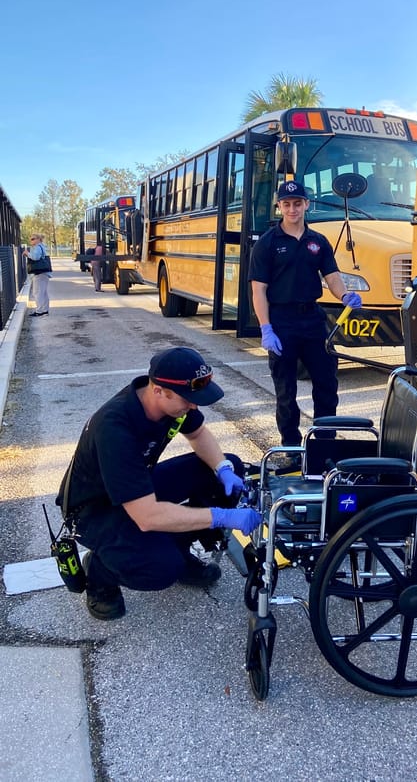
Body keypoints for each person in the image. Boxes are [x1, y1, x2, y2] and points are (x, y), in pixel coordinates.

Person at [56, 346, 263, 620]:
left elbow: (199, 433)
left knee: (228, 465)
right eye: (188, 399)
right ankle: (100, 572)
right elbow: (147, 516)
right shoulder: (115, 428)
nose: (193, 406)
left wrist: (223, 469)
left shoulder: (172, 403)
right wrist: (221, 516)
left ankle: (179, 546)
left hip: (134, 489)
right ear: (158, 390)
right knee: (161, 568)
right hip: (94, 511)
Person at [249, 179, 362, 451]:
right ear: (279, 207)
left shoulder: (318, 242)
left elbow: (332, 277)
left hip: (313, 319)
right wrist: (266, 328)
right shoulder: (267, 244)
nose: (292, 209)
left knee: (326, 385)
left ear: (306, 205)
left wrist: (344, 295)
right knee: (286, 391)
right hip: (282, 321)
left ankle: (325, 447)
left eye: (297, 203)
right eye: (286, 204)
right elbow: (258, 290)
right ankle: (290, 447)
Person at [23, 232, 50, 316]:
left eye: (33, 239)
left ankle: (39, 311)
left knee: (37, 292)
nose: (31, 240)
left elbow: (35, 257)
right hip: (44, 272)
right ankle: (44, 310)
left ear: (38, 239)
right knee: (43, 292)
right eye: (30, 239)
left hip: (39, 272)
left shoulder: (37, 247)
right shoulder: (41, 246)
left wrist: (27, 254)